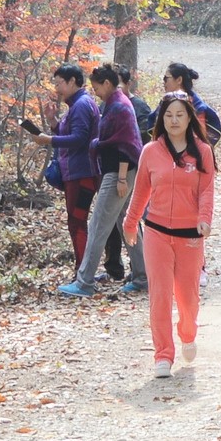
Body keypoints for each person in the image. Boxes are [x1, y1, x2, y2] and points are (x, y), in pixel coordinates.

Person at [136, 94, 219, 380]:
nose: (174, 120)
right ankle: (162, 355)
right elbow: (141, 191)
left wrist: (204, 219)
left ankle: (188, 334)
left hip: (190, 236)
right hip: (157, 232)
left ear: (189, 119)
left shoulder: (203, 151)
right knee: (159, 295)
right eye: (168, 115)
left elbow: (206, 189)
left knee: (187, 297)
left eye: (179, 115)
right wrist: (130, 221)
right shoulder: (150, 151)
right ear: (162, 118)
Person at [20, 64, 104, 293]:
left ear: (73, 81)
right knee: (76, 222)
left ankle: (83, 275)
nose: (56, 89)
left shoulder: (82, 105)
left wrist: (49, 139)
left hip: (83, 173)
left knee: (77, 223)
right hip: (75, 173)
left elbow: (79, 139)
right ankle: (84, 271)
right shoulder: (75, 105)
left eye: (59, 83)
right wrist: (54, 124)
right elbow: (71, 134)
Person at [78, 62, 147, 295]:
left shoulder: (119, 106)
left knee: (98, 224)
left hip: (119, 172)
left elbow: (125, 145)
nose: (94, 91)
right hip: (118, 171)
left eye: (96, 87)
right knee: (127, 222)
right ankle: (143, 275)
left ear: (107, 83)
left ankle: (84, 281)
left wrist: (120, 179)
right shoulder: (112, 103)